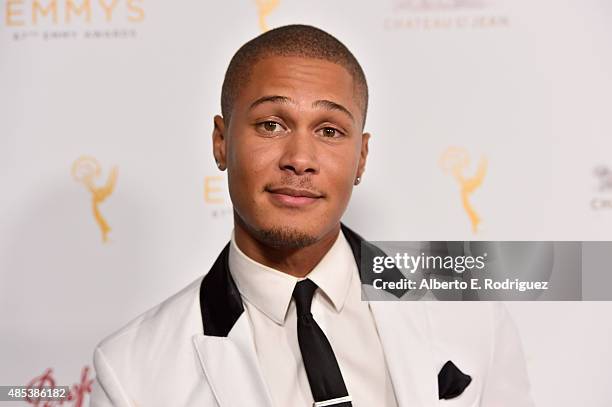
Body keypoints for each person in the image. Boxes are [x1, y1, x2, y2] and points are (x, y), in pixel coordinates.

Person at [90, 24, 534, 407]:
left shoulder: (468, 311)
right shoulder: (131, 371)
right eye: (271, 125)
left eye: (329, 131)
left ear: (361, 157)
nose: (300, 159)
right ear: (221, 142)